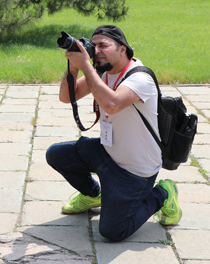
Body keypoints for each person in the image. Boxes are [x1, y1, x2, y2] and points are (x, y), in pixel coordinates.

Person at [46, 24, 181, 242]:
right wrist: (73, 67)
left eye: (103, 45)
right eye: (93, 45)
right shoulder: (102, 72)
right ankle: (94, 194)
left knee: (112, 231)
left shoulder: (140, 78)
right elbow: (66, 97)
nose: (96, 51)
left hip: (135, 172)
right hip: (108, 153)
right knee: (56, 154)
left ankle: (163, 194)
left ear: (123, 49)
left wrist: (86, 67)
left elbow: (111, 104)